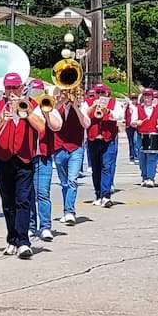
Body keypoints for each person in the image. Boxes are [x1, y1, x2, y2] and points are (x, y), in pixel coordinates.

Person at [0, 72, 45, 259]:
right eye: (9, 88)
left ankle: (23, 241)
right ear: (4, 89)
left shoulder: (32, 106)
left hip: (24, 158)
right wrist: (1, 120)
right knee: (8, 202)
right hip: (4, 158)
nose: (12, 92)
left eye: (15, 88)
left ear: (22, 88)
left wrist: (26, 111)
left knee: (23, 200)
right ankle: (11, 238)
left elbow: (41, 127)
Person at [30, 84, 62, 243]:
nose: (36, 94)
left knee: (43, 192)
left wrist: (47, 114)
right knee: (28, 194)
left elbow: (56, 126)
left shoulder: (49, 106)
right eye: (34, 91)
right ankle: (30, 226)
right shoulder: (26, 106)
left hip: (43, 156)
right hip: (27, 156)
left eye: (39, 91)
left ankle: (45, 226)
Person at [52, 89, 87, 226]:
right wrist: (59, 104)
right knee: (64, 182)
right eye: (62, 92)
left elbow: (85, 123)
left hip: (75, 148)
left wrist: (75, 106)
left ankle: (69, 211)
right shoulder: (55, 106)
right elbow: (50, 122)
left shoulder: (81, 106)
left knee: (72, 180)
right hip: (59, 148)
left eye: (67, 92)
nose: (64, 95)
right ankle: (66, 210)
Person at [85, 85, 121, 207]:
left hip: (108, 139)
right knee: (96, 168)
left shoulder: (114, 102)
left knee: (107, 166)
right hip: (93, 139)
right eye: (97, 92)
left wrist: (108, 112)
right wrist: (92, 107)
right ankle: (98, 193)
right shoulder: (87, 102)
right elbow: (83, 116)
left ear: (107, 93)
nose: (100, 94)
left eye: (102, 92)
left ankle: (106, 195)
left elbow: (120, 116)